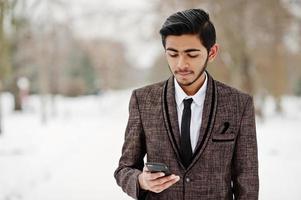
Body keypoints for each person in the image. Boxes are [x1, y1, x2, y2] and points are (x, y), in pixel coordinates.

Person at [114, 8, 259, 200]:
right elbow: (124, 169)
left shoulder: (239, 104)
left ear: (212, 52)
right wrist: (140, 180)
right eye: (173, 54)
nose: (181, 64)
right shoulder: (143, 100)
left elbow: (247, 181)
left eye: (192, 54)